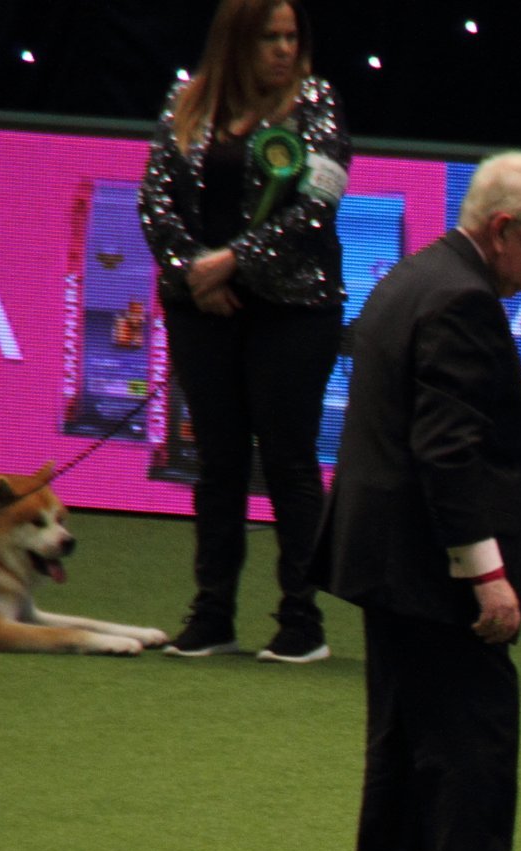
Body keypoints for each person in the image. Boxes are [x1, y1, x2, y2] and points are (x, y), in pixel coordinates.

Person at [310, 152, 521, 851]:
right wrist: (486, 575)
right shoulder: (463, 301)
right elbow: (448, 453)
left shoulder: (412, 275)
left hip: (380, 553)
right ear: (502, 229)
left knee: (400, 734)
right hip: (432, 562)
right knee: (473, 735)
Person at [139, 0, 347, 663]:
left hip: (295, 310)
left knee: (288, 460)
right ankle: (212, 615)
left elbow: (317, 205)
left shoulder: (317, 103)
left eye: (292, 36)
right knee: (219, 462)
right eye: (269, 38)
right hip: (204, 309)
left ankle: (300, 620)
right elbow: (155, 201)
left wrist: (235, 262)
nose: (284, 49)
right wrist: (198, 272)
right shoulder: (186, 101)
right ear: (237, 41)